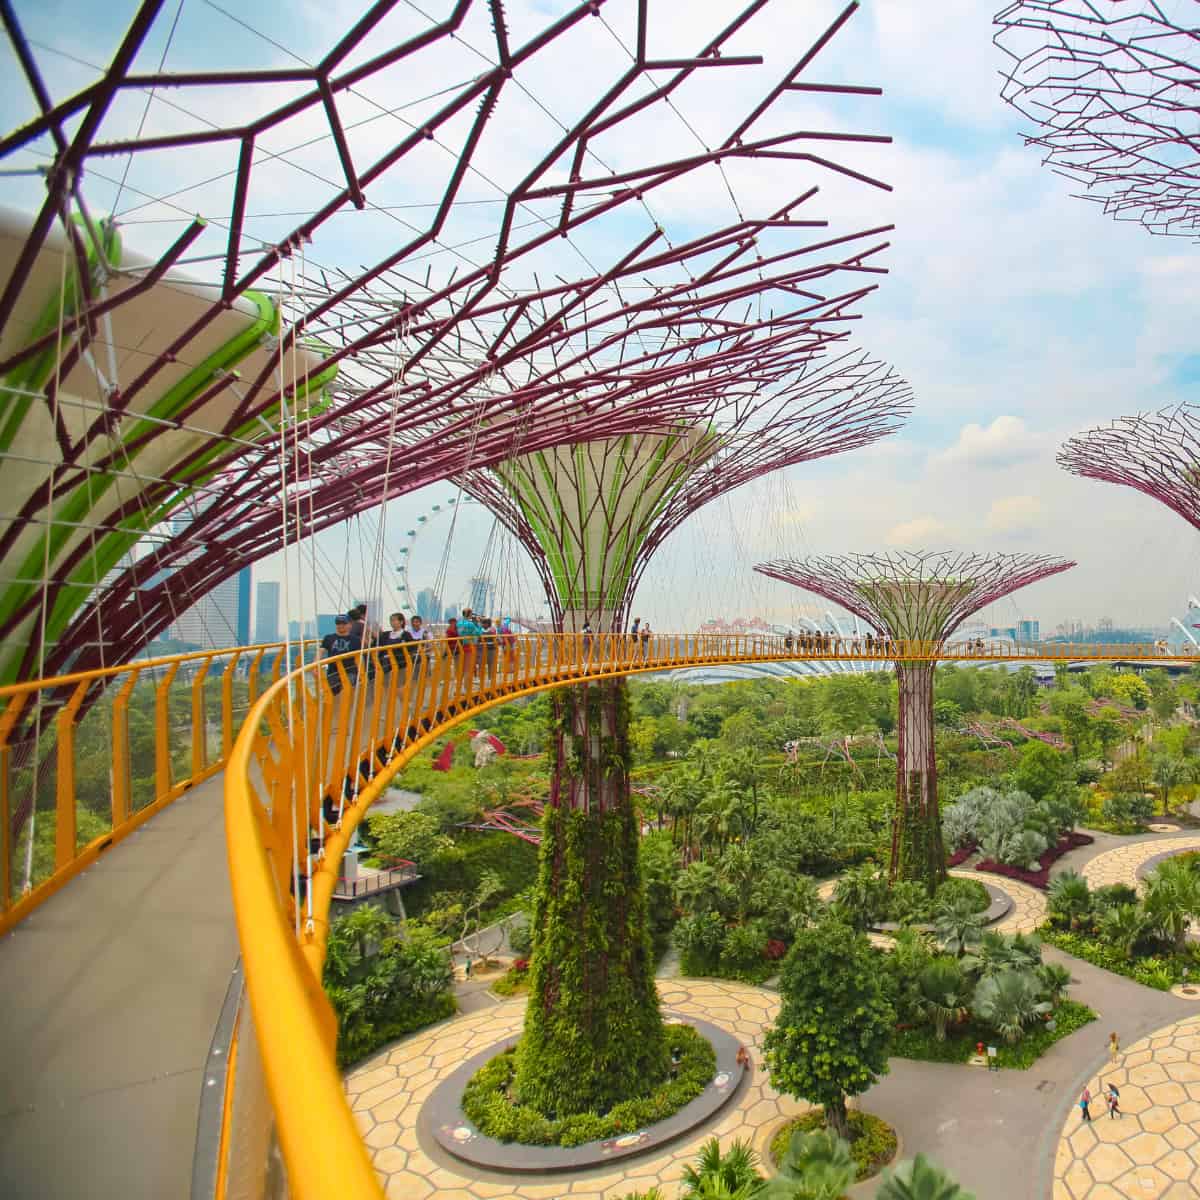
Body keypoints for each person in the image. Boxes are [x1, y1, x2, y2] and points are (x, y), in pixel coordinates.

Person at [321, 614, 361, 693]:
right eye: (338, 623)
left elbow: (359, 657)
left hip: (349, 672)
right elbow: (320, 651)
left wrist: (361, 673)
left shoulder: (355, 639)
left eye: (344, 623)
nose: (341, 625)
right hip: (333, 671)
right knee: (332, 694)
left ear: (350, 625)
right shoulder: (328, 638)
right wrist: (316, 666)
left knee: (346, 692)